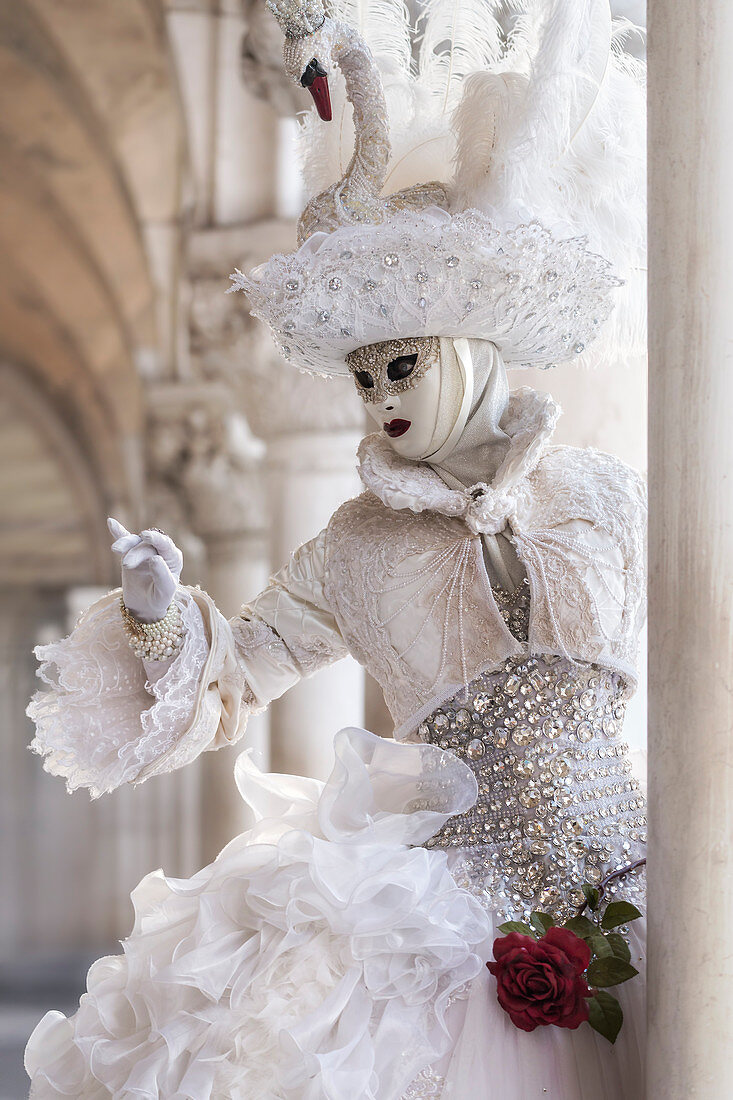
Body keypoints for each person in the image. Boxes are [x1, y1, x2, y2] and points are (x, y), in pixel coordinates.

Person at [24, 1, 647, 1096]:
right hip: (451, 936)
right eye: (363, 376)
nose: (378, 398)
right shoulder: (357, 543)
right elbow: (236, 673)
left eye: (400, 365)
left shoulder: (601, 494)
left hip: (648, 895)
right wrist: (160, 609)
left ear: (466, 347)